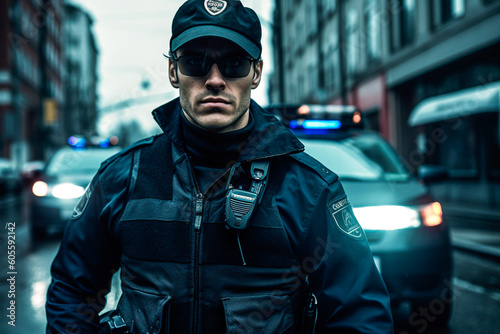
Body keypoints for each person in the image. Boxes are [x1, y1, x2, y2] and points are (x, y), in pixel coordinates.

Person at [46, 0, 394, 333]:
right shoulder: (122, 176)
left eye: (234, 64)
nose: (214, 79)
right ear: (173, 71)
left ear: (256, 73)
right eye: (195, 62)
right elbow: (72, 291)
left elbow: (359, 313)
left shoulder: (308, 187)